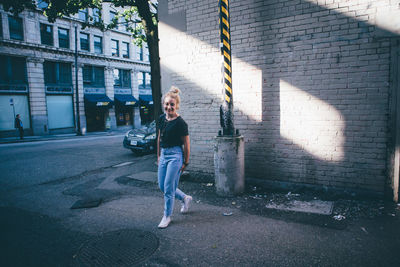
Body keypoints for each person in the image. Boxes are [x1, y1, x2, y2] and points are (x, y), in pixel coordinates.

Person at [157, 86, 192, 229]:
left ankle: (167, 216)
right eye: (166, 104)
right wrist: (158, 155)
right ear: (163, 105)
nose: (169, 107)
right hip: (164, 155)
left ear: (176, 105)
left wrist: (186, 162)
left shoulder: (180, 123)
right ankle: (185, 198)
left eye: (172, 104)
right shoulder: (161, 119)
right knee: (162, 186)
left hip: (176, 156)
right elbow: (159, 138)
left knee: (168, 188)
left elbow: (186, 144)